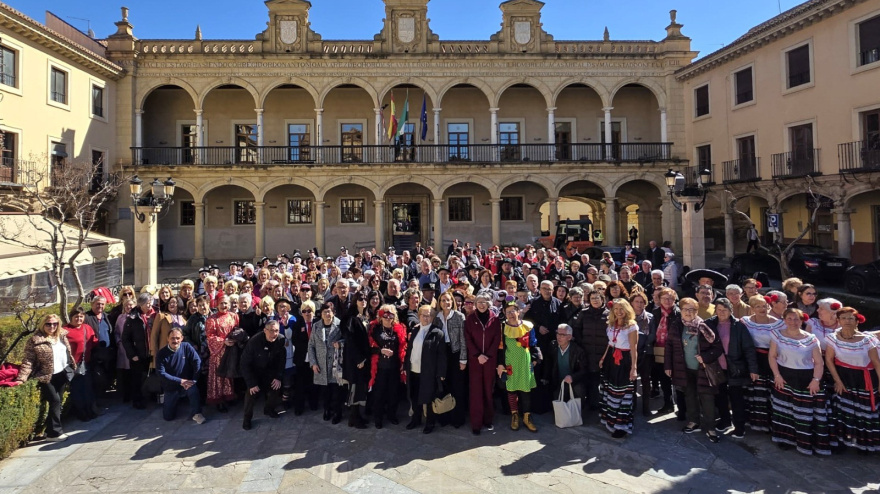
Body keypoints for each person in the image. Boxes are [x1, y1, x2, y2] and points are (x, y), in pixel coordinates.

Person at [767, 308, 828, 455]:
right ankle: (785, 440)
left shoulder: (811, 338)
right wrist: (777, 375)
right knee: (785, 411)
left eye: (796, 319)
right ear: (784, 319)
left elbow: (819, 363)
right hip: (784, 377)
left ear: (802, 321)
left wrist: (816, 380)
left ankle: (805, 442)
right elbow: (772, 356)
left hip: (806, 380)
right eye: (789, 318)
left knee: (803, 413)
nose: (793, 322)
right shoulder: (777, 335)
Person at [666, 297, 724, 443]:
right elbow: (669, 346)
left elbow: (717, 347)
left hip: (702, 369)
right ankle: (694, 421)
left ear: (697, 311)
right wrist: (668, 366)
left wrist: (705, 357)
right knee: (690, 395)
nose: (688, 312)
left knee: (707, 398)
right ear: (681, 311)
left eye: (692, 310)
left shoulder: (704, 326)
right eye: (686, 309)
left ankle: (710, 427)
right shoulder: (676, 325)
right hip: (684, 368)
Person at [824, 307, 880, 453]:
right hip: (844, 378)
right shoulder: (833, 338)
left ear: (857, 321)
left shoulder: (867, 340)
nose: (847, 321)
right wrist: (838, 381)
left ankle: (865, 445)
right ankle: (844, 443)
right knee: (845, 412)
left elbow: (876, 363)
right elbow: (829, 360)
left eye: (850, 318)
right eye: (844, 318)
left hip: (864, 380)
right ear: (839, 321)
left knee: (864, 413)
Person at [15, 314, 75, 441]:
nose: (52, 326)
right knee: (55, 400)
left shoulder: (61, 336)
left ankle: (49, 430)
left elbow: (67, 353)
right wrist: (22, 378)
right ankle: (54, 433)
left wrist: (72, 366)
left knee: (57, 402)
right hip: (45, 375)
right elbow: (28, 360)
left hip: (61, 374)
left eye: (55, 324)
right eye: (48, 324)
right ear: (43, 324)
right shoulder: (35, 340)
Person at [705, 298, 758, 439]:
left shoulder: (738, 326)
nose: (722, 312)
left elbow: (748, 348)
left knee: (736, 398)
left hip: (735, 367)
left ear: (731, 311)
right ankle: (725, 421)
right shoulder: (709, 324)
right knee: (720, 396)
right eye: (719, 310)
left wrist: (753, 369)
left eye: (725, 310)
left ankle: (739, 426)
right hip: (716, 366)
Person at [741, 294, 786, 432]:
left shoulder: (779, 323)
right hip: (753, 360)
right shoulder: (745, 321)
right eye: (758, 306)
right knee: (753, 391)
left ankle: (771, 424)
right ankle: (753, 421)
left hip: (771, 360)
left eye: (764, 306)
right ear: (752, 308)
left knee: (770, 392)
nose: (762, 309)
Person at [497, 302, 540, 432]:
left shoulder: (527, 326)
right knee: (511, 390)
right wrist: (500, 364)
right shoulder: (502, 327)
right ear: (504, 313)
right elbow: (499, 348)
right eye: (508, 311)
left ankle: (527, 416)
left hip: (525, 363)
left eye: (513, 311)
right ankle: (514, 415)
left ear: (518, 312)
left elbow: (533, 343)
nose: (511, 314)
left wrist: (535, 358)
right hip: (510, 363)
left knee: (526, 390)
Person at [600, 299, 640, 437]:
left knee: (623, 392)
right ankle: (610, 421)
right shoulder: (611, 324)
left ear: (627, 309)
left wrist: (634, 368)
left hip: (624, 360)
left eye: (621, 309)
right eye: (616, 309)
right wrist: (604, 357)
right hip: (611, 358)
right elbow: (610, 343)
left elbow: (634, 349)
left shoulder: (631, 326)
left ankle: (621, 426)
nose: (618, 312)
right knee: (610, 390)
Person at [406, 305, 448, 434]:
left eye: (429, 315)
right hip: (413, 369)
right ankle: (416, 419)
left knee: (429, 398)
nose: (426, 318)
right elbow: (409, 350)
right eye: (423, 315)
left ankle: (430, 422)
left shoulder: (437, 333)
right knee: (414, 396)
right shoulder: (415, 330)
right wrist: (405, 366)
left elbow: (442, 356)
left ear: (432, 317)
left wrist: (441, 373)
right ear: (419, 316)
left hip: (429, 371)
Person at [464, 293, 502, 435]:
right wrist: (477, 355)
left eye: (484, 301)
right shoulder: (470, 319)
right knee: (476, 391)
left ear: (489, 303)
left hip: (489, 360)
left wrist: (488, 355)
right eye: (479, 301)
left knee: (488, 390)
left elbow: (497, 337)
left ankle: (488, 420)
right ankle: (476, 423)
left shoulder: (495, 319)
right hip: (475, 360)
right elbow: (468, 338)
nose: (481, 304)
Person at [240, 320, 287, 430]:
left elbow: (281, 360)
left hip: (270, 371)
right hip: (254, 372)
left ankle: (269, 409)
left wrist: (278, 377)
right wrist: (251, 383)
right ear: (265, 330)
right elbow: (244, 363)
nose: (274, 334)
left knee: (276, 388)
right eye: (271, 331)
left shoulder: (280, 340)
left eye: (276, 331)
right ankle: (247, 419)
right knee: (251, 394)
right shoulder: (254, 342)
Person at [156, 328, 205, 424]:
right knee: (168, 417)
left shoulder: (186, 347)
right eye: (172, 338)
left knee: (193, 390)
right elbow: (161, 373)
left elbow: (197, 361)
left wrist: (194, 379)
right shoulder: (161, 353)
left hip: (188, 383)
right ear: (167, 338)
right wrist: (180, 381)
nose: (175, 341)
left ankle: (197, 413)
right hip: (171, 386)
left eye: (178, 338)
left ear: (182, 338)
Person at [572, 289, 609, 413]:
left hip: (602, 352)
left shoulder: (608, 314)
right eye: (592, 298)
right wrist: (581, 343)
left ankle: (595, 403)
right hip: (586, 350)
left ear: (602, 299)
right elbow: (577, 328)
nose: (595, 300)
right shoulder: (584, 313)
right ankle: (586, 403)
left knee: (597, 379)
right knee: (586, 376)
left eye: (597, 298)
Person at [436, 291, 467, 428]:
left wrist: (463, 359)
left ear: (452, 302)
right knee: (444, 386)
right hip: (442, 353)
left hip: (456, 353)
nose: (446, 303)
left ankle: (457, 418)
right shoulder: (437, 317)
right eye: (443, 300)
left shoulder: (459, 316)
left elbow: (463, 340)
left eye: (448, 300)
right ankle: (444, 417)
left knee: (457, 387)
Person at [308, 302, 344, 424]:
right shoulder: (316, 326)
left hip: (336, 362)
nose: (327, 314)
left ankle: (337, 412)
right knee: (325, 390)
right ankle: (327, 410)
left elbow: (347, 340)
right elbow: (311, 345)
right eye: (324, 312)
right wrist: (313, 363)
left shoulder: (339, 324)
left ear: (333, 312)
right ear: (321, 314)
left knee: (336, 391)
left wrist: (340, 343)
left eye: (329, 311)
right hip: (321, 363)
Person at [341, 292, 371, 429]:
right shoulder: (351, 318)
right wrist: (359, 359)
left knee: (361, 388)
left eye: (365, 298)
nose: (363, 301)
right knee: (354, 387)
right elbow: (350, 341)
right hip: (355, 360)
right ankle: (353, 418)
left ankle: (358, 416)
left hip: (365, 359)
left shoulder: (367, 316)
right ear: (355, 301)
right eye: (360, 298)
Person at [205, 295, 239, 412]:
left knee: (230, 374)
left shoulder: (234, 316)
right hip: (219, 351)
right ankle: (219, 400)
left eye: (225, 303)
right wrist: (223, 341)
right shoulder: (212, 319)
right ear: (217, 304)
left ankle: (230, 396)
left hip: (231, 349)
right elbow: (210, 337)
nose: (224, 306)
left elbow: (237, 330)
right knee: (219, 376)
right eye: (221, 303)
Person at [123, 293, 156, 410]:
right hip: (138, 353)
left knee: (151, 376)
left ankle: (151, 396)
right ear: (141, 304)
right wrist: (132, 354)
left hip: (152, 352)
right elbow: (125, 339)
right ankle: (137, 400)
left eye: (151, 302)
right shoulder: (132, 317)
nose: (150, 305)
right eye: (147, 303)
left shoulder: (155, 314)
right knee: (138, 379)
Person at [64, 307, 98, 422]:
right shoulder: (65, 330)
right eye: (76, 316)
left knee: (87, 388)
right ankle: (81, 412)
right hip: (72, 365)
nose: (79, 319)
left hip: (85, 364)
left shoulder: (87, 328)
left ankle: (90, 410)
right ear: (71, 317)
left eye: (81, 316)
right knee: (77, 390)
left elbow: (93, 343)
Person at [630, 291, 655, 416]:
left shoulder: (650, 317)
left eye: (642, 302)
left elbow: (652, 334)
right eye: (637, 302)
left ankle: (646, 407)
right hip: (631, 352)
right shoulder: (628, 317)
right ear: (632, 303)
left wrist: (642, 342)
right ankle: (632, 405)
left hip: (646, 352)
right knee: (632, 380)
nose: (639, 304)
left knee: (646, 380)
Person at [292, 300, 318, 415]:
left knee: (313, 383)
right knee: (300, 384)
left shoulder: (318, 323)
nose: (307, 313)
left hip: (316, 359)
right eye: (304, 311)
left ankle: (313, 404)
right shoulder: (298, 324)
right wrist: (308, 347)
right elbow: (295, 340)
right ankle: (299, 407)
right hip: (302, 358)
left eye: (309, 311)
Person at [151, 296, 186, 369]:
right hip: (165, 352)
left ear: (179, 304)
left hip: (180, 353)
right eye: (170, 303)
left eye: (174, 302)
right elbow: (154, 335)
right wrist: (154, 353)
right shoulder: (161, 316)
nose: (171, 304)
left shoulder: (183, 318)